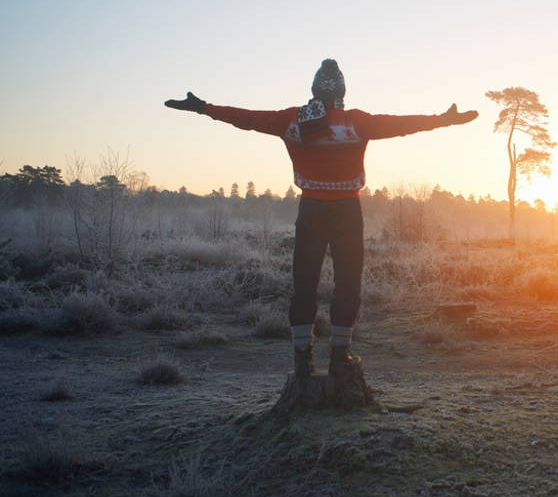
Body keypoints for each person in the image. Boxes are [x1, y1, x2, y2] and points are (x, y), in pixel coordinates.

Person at [165, 59, 478, 376]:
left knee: (304, 286)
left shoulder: (291, 119)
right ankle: (340, 356)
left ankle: (303, 359)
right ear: (343, 92)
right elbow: (401, 124)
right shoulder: (357, 122)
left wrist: (204, 107)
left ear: (313, 90)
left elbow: (246, 119)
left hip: (311, 209)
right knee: (348, 285)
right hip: (347, 210)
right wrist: (443, 120)